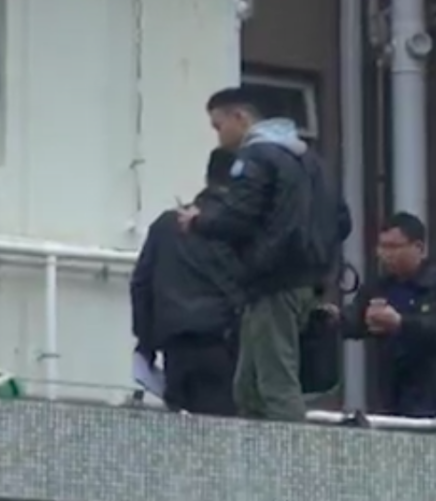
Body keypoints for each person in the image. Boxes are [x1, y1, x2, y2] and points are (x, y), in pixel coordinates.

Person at [177, 87, 350, 422]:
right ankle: (260, 456)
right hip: (306, 280)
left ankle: (289, 464)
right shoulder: (309, 160)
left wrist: (199, 220)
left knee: (275, 382)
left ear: (240, 117)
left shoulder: (256, 156)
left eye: (218, 126)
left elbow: (239, 215)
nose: (218, 137)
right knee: (249, 386)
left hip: (272, 280)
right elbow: (342, 219)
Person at [130, 148, 246, 417]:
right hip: (225, 346)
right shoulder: (241, 231)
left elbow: (141, 286)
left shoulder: (165, 225)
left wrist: (145, 344)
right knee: (223, 438)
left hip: (176, 348)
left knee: (182, 441)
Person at [328, 212, 436, 418]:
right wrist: (334, 318)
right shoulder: (380, 287)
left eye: (393, 247)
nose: (385, 255)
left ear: (419, 249)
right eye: (381, 247)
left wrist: (402, 324)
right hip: (395, 394)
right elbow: (356, 318)